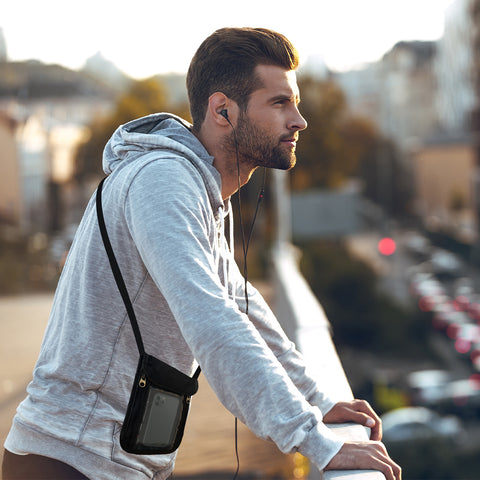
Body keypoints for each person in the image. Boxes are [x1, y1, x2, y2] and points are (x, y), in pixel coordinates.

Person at [2, 27, 401, 480]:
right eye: (279, 103)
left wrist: (316, 399)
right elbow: (212, 319)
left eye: (296, 103)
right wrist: (311, 439)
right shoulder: (163, 181)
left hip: (116, 463)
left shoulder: (203, 192)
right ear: (222, 110)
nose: (298, 120)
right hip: (69, 460)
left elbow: (241, 306)